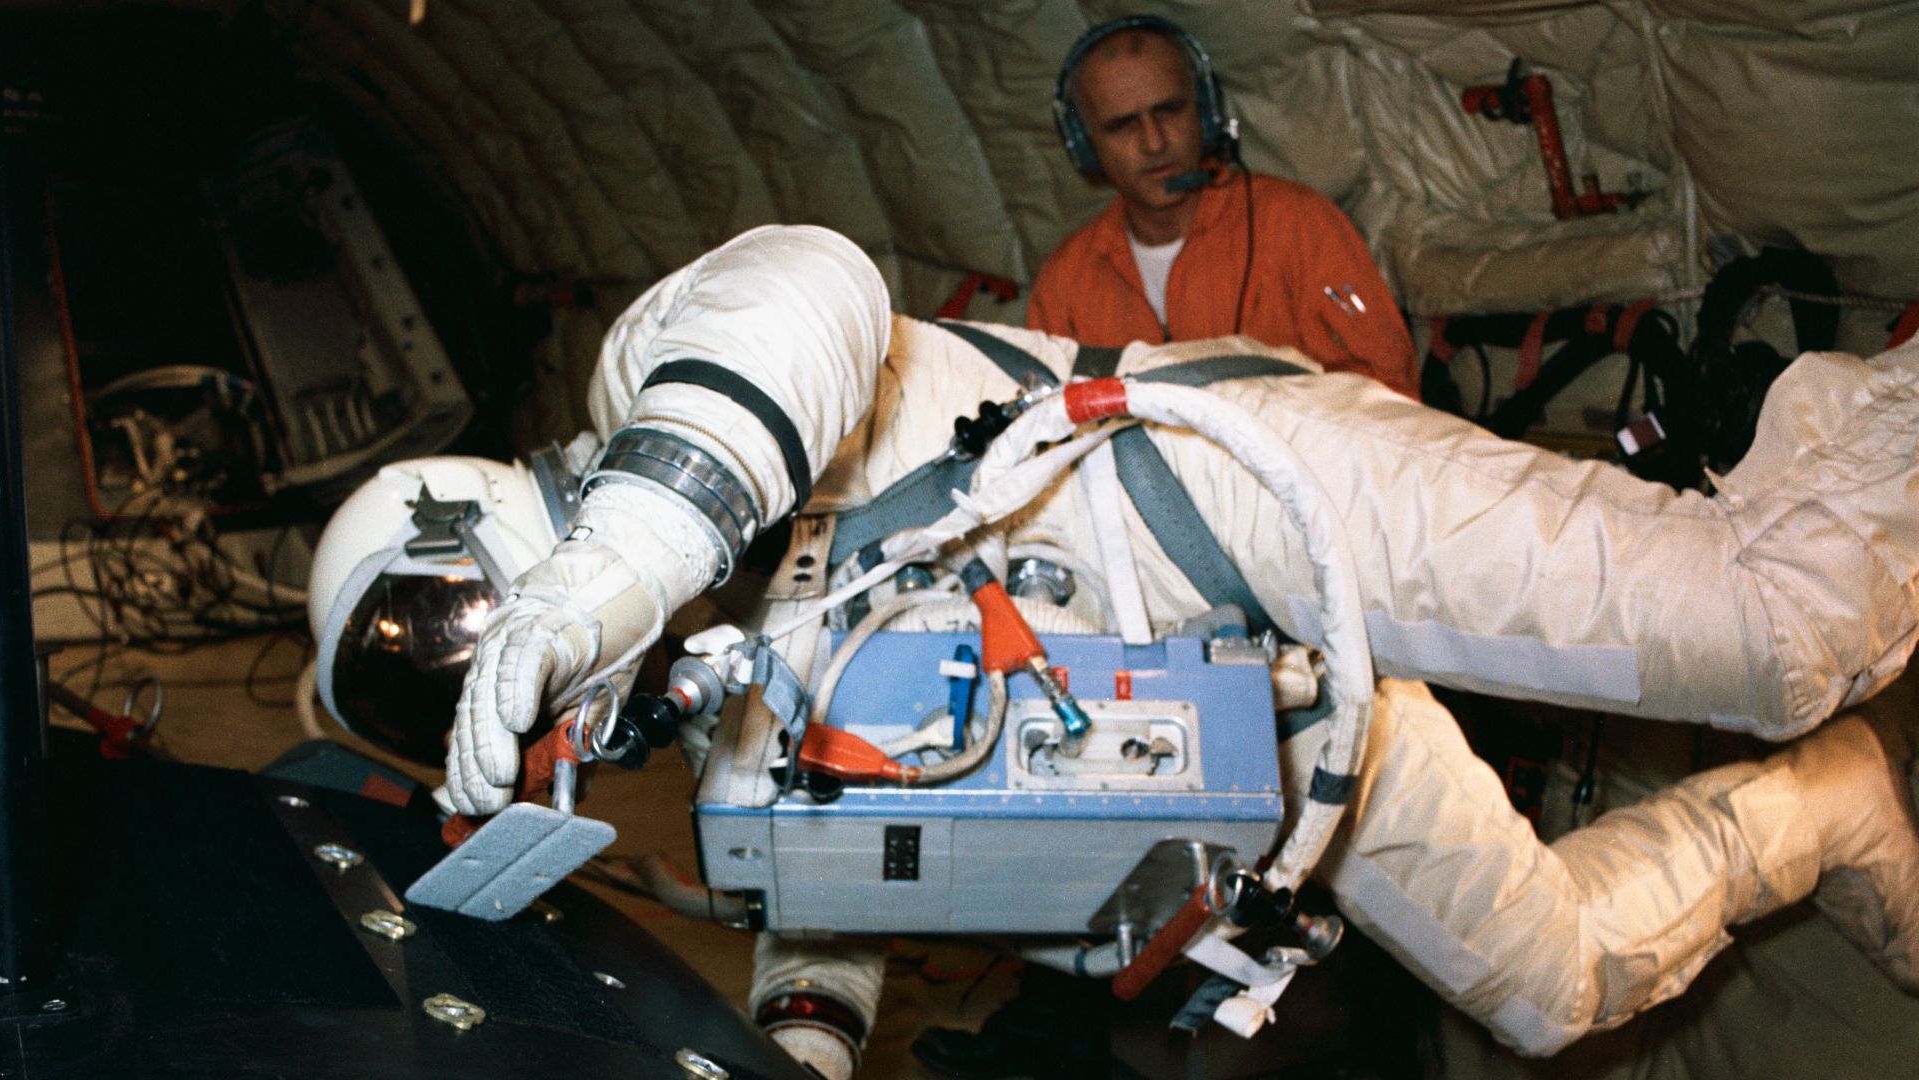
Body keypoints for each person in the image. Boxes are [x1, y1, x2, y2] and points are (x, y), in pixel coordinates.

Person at [325, 225, 1919, 1079]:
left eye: (466, 645)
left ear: (484, 547)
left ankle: (1879, 413)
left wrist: (633, 549)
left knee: (1780, 633)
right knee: (1551, 989)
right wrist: (798, 1041)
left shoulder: (662, 396)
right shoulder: (709, 712)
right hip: (1259, 748)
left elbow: (808, 282)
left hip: (1233, 496)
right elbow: (835, 883)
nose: (520, 694)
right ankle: (1834, 803)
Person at [1027, 15, 1420, 400]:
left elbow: (1390, 392)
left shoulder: (1300, 226)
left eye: (1169, 111)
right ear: (1083, 146)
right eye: (1122, 125)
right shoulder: (1065, 283)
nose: (1153, 142)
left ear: (1206, 113)